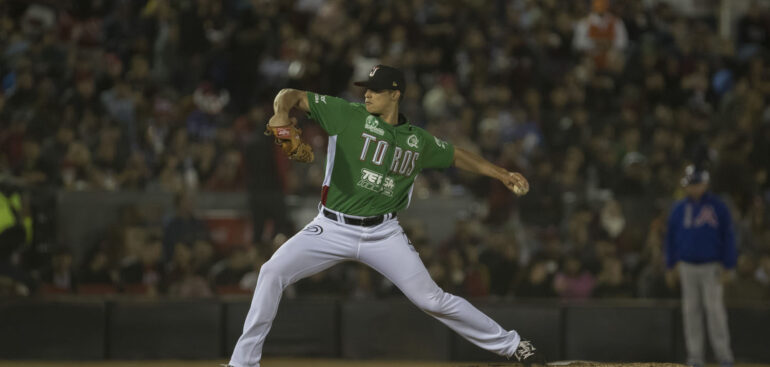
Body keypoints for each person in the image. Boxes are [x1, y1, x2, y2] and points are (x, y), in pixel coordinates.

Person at [227, 65, 544, 367]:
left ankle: (514, 345)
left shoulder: (417, 140)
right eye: (366, 89)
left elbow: (456, 155)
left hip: (383, 233)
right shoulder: (346, 114)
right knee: (271, 272)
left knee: (432, 300)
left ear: (396, 94)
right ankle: (242, 363)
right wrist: (280, 113)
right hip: (331, 226)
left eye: (376, 90)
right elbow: (291, 93)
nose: (367, 95)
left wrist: (501, 173)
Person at [665, 165, 736, 367]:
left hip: (711, 265)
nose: (693, 188)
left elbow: (728, 236)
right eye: (690, 184)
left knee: (715, 311)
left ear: (705, 183)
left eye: (696, 183)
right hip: (687, 266)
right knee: (691, 311)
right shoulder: (679, 208)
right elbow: (670, 238)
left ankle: (724, 356)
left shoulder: (718, 206)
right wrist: (670, 265)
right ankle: (695, 358)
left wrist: (728, 265)